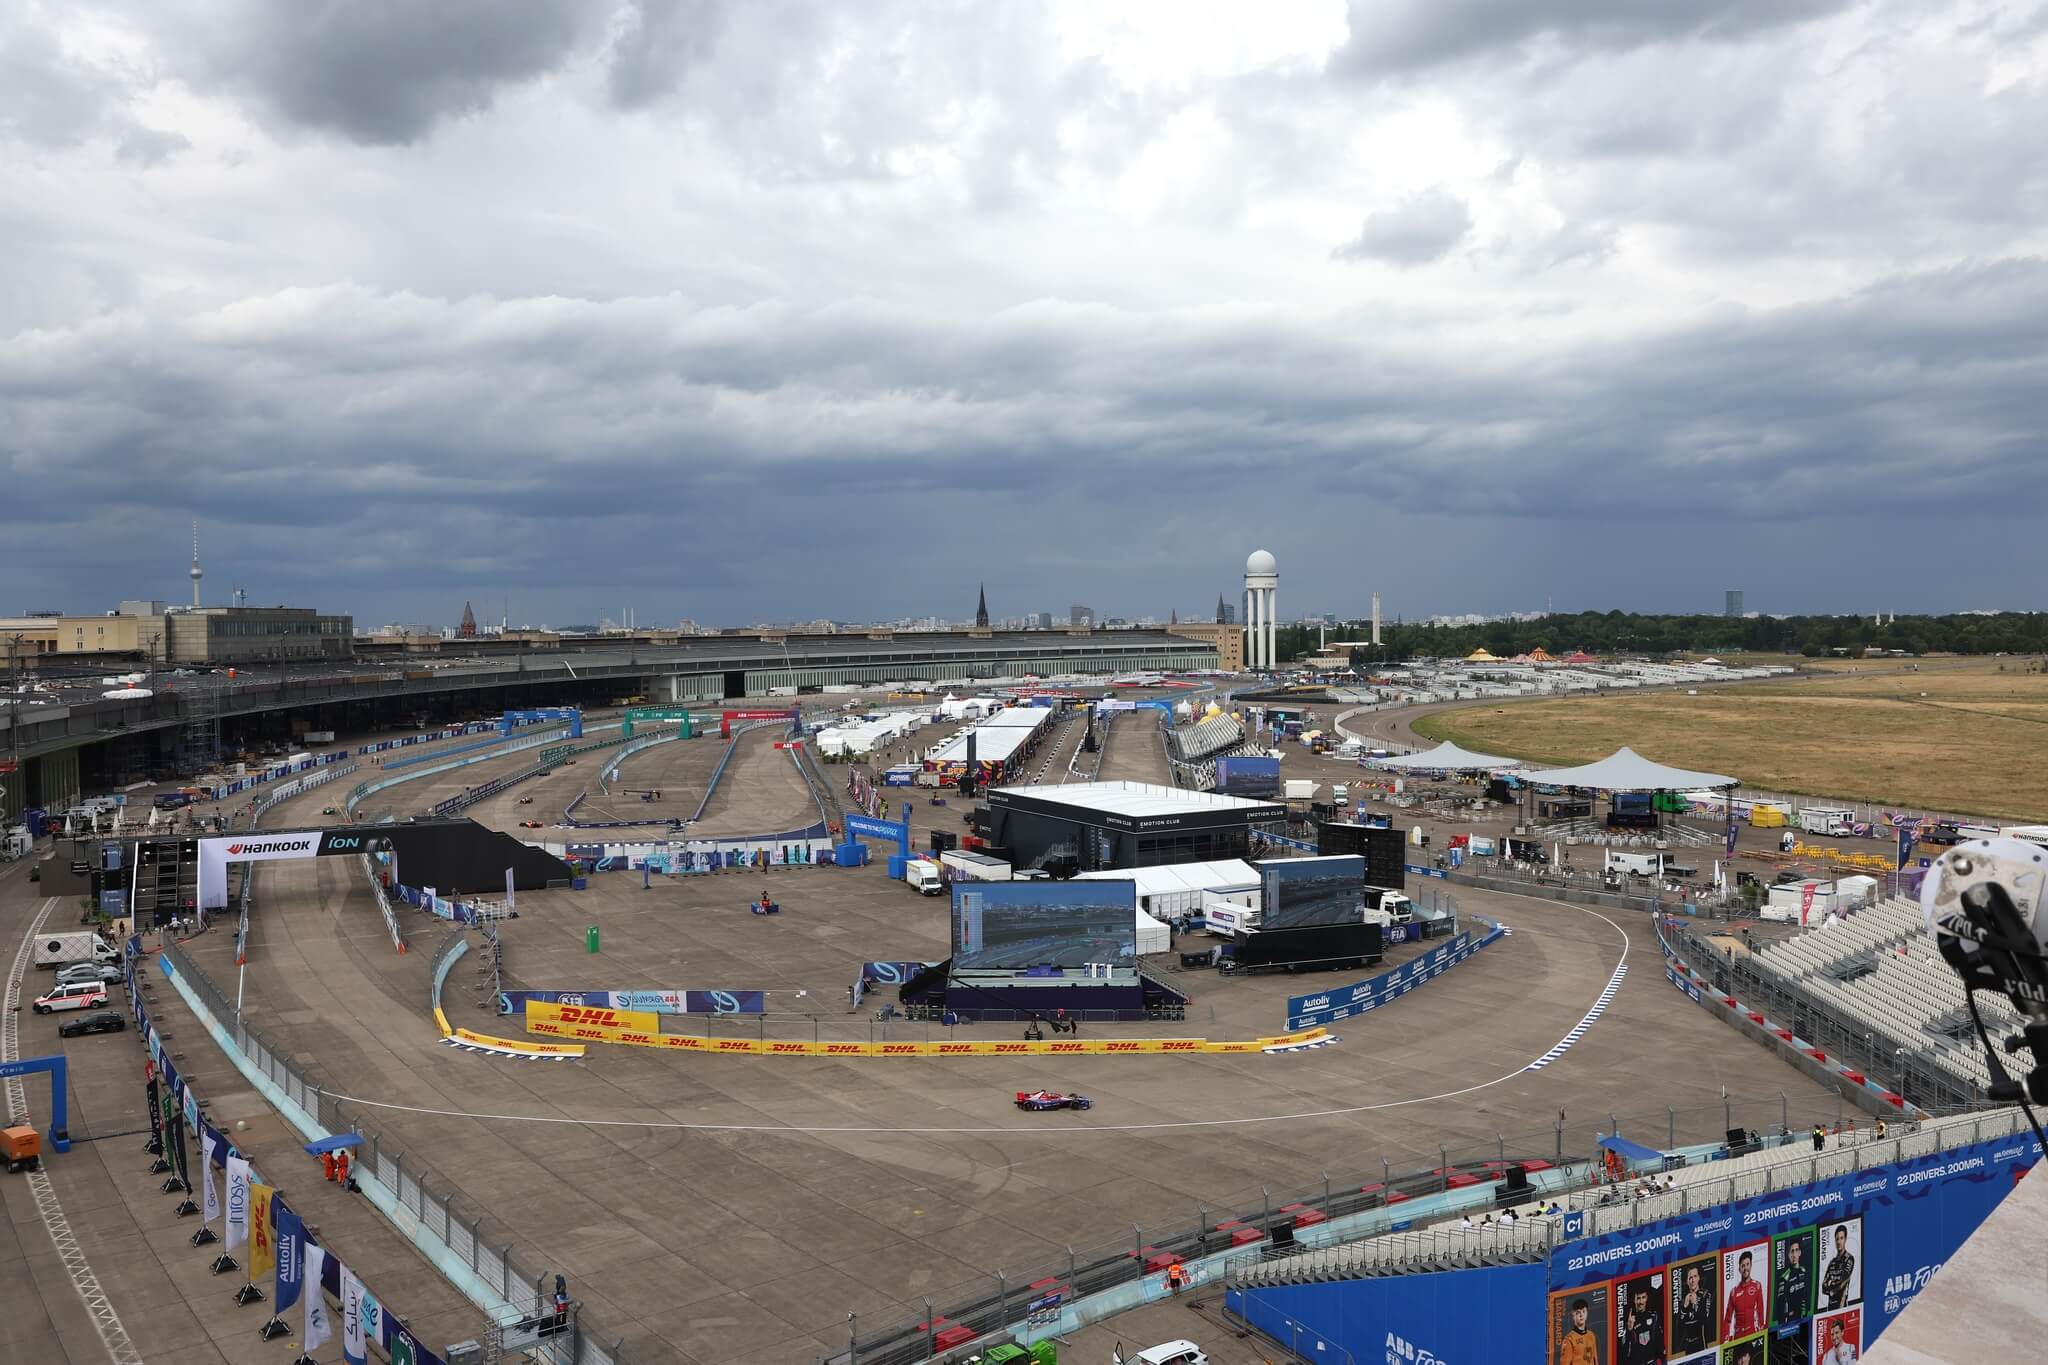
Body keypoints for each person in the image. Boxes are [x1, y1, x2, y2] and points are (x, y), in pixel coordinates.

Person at [1723, 1250, 1766, 1340]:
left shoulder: (1757, 1286)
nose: (1745, 1268)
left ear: (1751, 1265)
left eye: (1747, 1264)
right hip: (1738, 1336)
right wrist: (1726, 1338)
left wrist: (1761, 1330)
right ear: (1739, 1269)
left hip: (1753, 1333)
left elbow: (1760, 1310)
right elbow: (1727, 1319)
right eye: (1743, 1266)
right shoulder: (1733, 1292)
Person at [1671, 1264, 1712, 1354]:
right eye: (1690, 1277)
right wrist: (1684, 1308)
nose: (1693, 1280)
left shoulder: (1705, 1294)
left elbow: (1706, 1321)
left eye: (1695, 1276)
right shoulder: (1683, 1300)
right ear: (1686, 1281)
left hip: (1701, 1342)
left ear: (1699, 1278)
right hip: (1687, 1345)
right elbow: (1678, 1328)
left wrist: (1695, 1304)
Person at [1619, 1281, 1663, 1365]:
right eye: (1638, 1298)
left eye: (1643, 1297)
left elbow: (1659, 1339)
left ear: (1647, 1298)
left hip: (1652, 1362)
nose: (1641, 1302)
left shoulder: (1653, 1316)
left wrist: (1662, 1357)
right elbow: (1625, 1351)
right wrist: (1629, 1330)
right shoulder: (1629, 1321)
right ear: (1634, 1300)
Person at [1820, 1225, 1857, 1310]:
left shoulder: (1849, 1259)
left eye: (1841, 1238)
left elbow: (1842, 1283)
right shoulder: (1832, 1262)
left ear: (1845, 1239)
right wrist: (1832, 1286)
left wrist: (1830, 1284)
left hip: (1842, 1306)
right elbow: (1823, 1287)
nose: (1839, 1242)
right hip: (1829, 1308)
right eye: (1837, 1239)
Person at [1776, 1236, 1811, 1325]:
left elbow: (1807, 1295)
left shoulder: (1804, 1271)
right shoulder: (1784, 1278)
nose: (1794, 1254)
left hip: (1804, 1318)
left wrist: (1805, 1313)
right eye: (1792, 1251)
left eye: (1796, 1250)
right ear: (1788, 1255)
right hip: (1790, 1321)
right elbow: (1780, 1306)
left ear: (1800, 1252)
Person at [1558, 1297, 1599, 1365]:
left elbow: (1595, 1360)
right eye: (1578, 1312)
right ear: (1573, 1315)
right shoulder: (1569, 1339)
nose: (1581, 1315)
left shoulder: (1591, 1335)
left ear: (1587, 1313)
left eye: (1583, 1311)